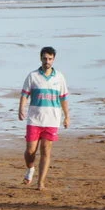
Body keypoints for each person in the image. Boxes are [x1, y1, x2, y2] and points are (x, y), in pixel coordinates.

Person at [19, 46, 69, 191]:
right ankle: (30, 168)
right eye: (45, 58)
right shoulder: (33, 76)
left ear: (54, 59)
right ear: (40, 58)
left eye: (50, 59)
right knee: (30, 151)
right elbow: (24, 94)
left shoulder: (59, 77)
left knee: (46, 150)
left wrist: (67, 116)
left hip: (52, 120)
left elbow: (63, 98)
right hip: (34, 119)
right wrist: (21, 108)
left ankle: (40, 182)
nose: (47, 61)